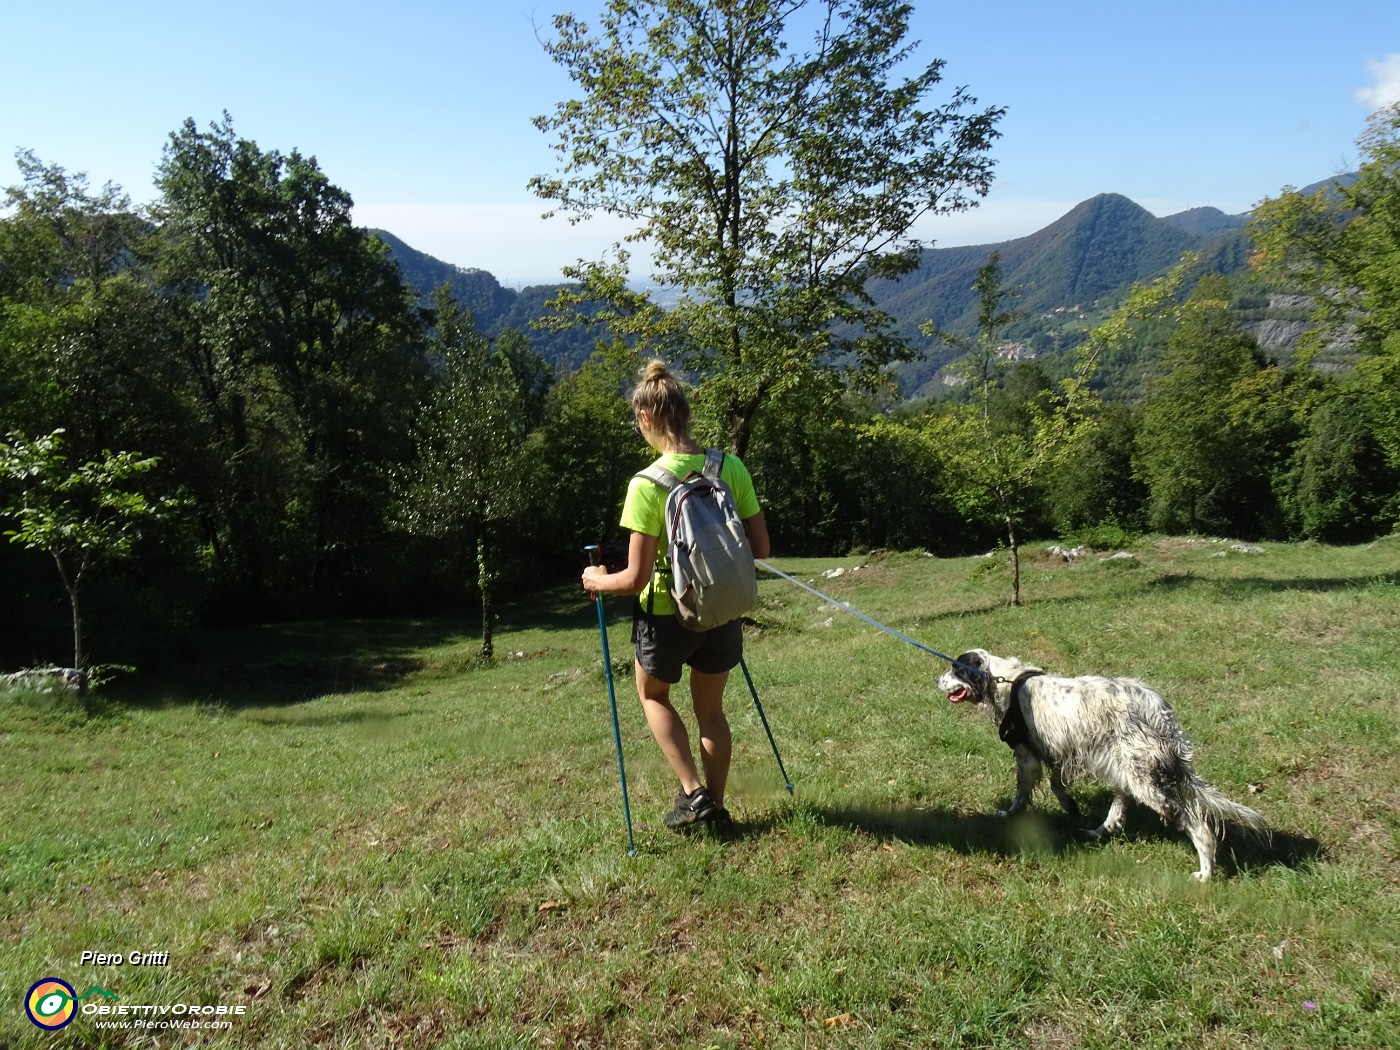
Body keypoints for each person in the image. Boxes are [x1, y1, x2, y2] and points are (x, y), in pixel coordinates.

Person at [581, 359, 770, 831]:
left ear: (646, 418)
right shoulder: (731, 467)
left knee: (654, 697)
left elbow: (633, 579)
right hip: (722, 608)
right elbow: (761, 550)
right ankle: (719, 806)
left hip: (668, 612)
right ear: (685, 413)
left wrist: (595, 580)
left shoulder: (646, 486)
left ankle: (693, 793)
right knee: (712, 711)